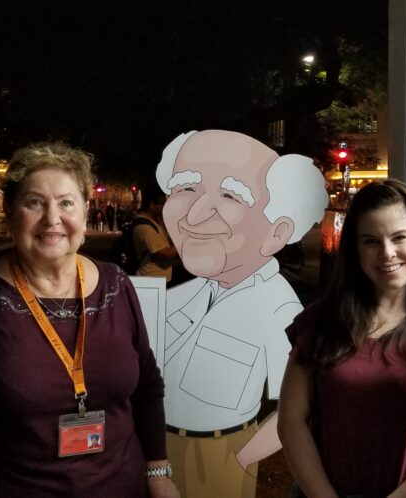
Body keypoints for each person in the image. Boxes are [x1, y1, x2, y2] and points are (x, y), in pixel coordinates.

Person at [0, 141, 178, 498]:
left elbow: (147, 385)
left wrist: (158, 472)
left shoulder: (116, 285)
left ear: (86, 210)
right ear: (12, 213)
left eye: (66, 202)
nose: (52, 218)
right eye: (34, 203)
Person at [155, 130, 328, 498]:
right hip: (156, 449)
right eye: (185, 188)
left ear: (277, 233)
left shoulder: (279, 308)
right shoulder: (178, 296)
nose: (195, 214)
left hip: (219, 451)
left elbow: (302, 406)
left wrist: (240, 458)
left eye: (231, 195)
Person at [279, 180, 406, 498]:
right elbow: (291, 421)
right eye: (371, 241)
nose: (387, 253)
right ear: (355, 249)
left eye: (399, 237)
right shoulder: (321, 322)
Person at [133, 184, 179, 283]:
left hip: (159, 279)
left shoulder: (155, 221)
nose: (165, 207)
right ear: (152, 204)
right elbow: (166, 254)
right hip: (151, 280)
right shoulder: (144, 226)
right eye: (162, 204)